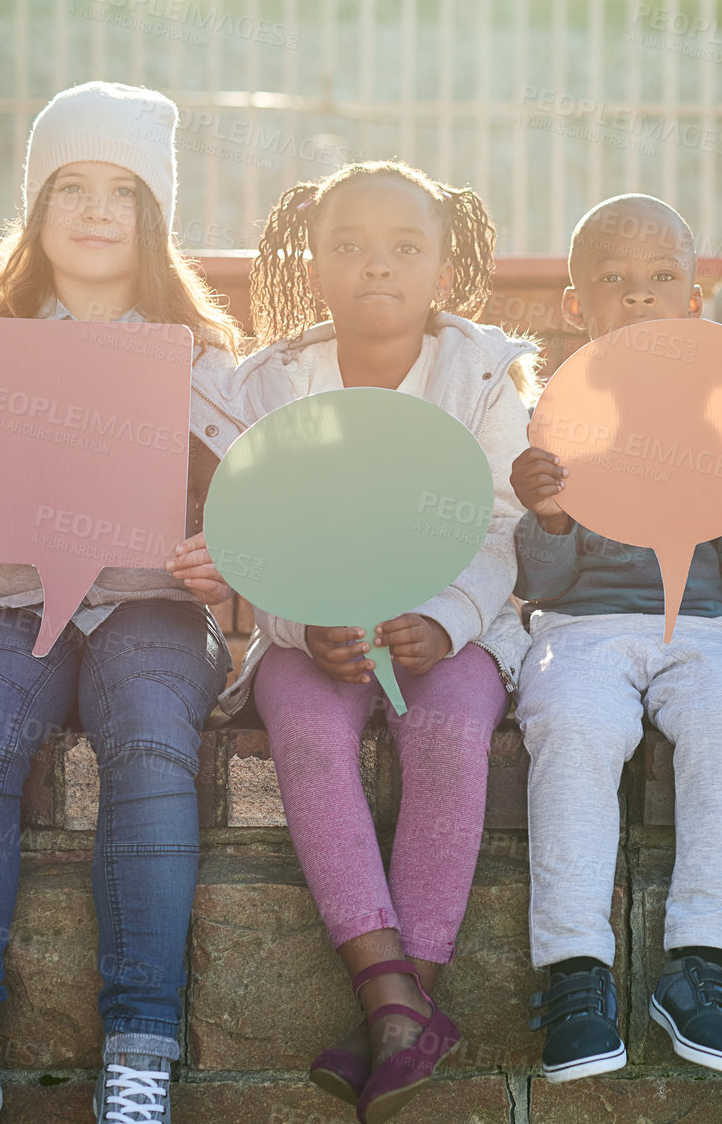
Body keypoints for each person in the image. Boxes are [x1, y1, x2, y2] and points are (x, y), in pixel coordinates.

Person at [0, 80, 247, 1124]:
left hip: (153, 611)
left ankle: (139, 1051)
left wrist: (230, 562)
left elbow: (254, 502)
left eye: (120, 191)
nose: (93, 210)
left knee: (152, 741)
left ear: (153, 216)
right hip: (11, 611)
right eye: (68, 186)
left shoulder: (201, 357)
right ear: (35, 209)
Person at [177, 160, 536, 1124]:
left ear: (444, 271)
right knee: (304, 730)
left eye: (404, 248)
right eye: (348, 247)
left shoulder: (486, 375)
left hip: (448, 625)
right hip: (315, 626)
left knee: (448, 736)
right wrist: (297, 620)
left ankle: (393, 1009)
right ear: (314, 264)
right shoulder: (270, 385)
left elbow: (504, 523)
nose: (376, 266)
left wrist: (449, 618)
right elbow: (253, 529)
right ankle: (396, 1001)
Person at [511, 194, 722, 1086]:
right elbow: (541, 583)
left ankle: (700, 960)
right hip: (582, 626)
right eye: (611, 281)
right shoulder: (560, 409)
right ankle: (573, 971)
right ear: (576, 305)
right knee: (572, 725)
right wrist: (549, 513)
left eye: (659, 279)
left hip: (710, 628)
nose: (636, 297)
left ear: (693, 298)